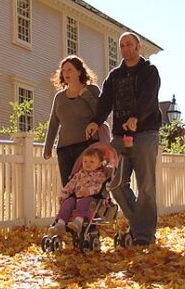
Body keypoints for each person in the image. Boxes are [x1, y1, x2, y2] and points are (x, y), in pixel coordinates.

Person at [85, 32, 162, 246]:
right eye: (122, 45)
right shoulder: (114, 76)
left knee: (146, 185)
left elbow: (148, 98)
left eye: (130, 44)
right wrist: (95, 121)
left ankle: (144, 236)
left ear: (138, 47)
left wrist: (136, 117)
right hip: (120, 137)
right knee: (116, 183)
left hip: (145, 134)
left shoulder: (149, 72)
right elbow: (105, 101)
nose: (126, 48)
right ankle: (140, 225)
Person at [43, 56, 101, 186]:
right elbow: (53, 123)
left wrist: (85, 94)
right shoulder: (59, 97)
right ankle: (70, 207)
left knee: (86, 185)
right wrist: (48, 147)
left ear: (79, 71)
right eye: (63, 70)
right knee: (68, 187)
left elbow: (100, 113)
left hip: (87, 146)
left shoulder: (92, 90)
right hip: (64, 148)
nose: (66, 73)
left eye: (70, 69)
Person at [48, 147, 109, 236]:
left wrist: (89, 190)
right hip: (77, 198)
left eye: (91, 162)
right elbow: (71, 184)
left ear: (99, 164)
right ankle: (60, 224)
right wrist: (63, 194)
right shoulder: (79, 174)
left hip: (92, 199)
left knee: (84, 202)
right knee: (68, 202)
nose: (87, 164)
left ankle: (78, 222)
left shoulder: (100, 176)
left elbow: (99, 186)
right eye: (85, 161)